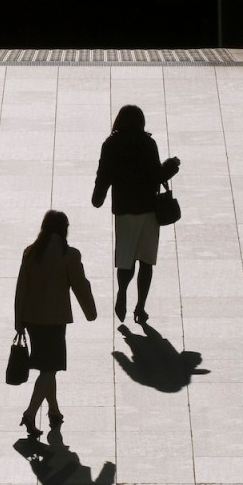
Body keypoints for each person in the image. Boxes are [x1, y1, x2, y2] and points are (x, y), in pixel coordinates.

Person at [91, 104, 180, 325]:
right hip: (149, 210)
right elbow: (156, 175)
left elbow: (104, 174)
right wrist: (171, 166)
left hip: (124, 210)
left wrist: (98, 197)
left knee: (125, 258)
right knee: (146, 260)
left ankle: (122, 293)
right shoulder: (147, 143)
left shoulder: (110, 144)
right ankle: (140, 307)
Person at [14, 209, 97, 436]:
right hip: (54, 320)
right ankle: (30, 413)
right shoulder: (68, 255)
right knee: (50, 368)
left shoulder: (30, 253)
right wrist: (91, 312)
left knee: (46, 367)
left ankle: (54, 411)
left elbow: (21, 288)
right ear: (64, 229)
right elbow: (81, 286)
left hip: (31, 319)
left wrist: (18, 320)